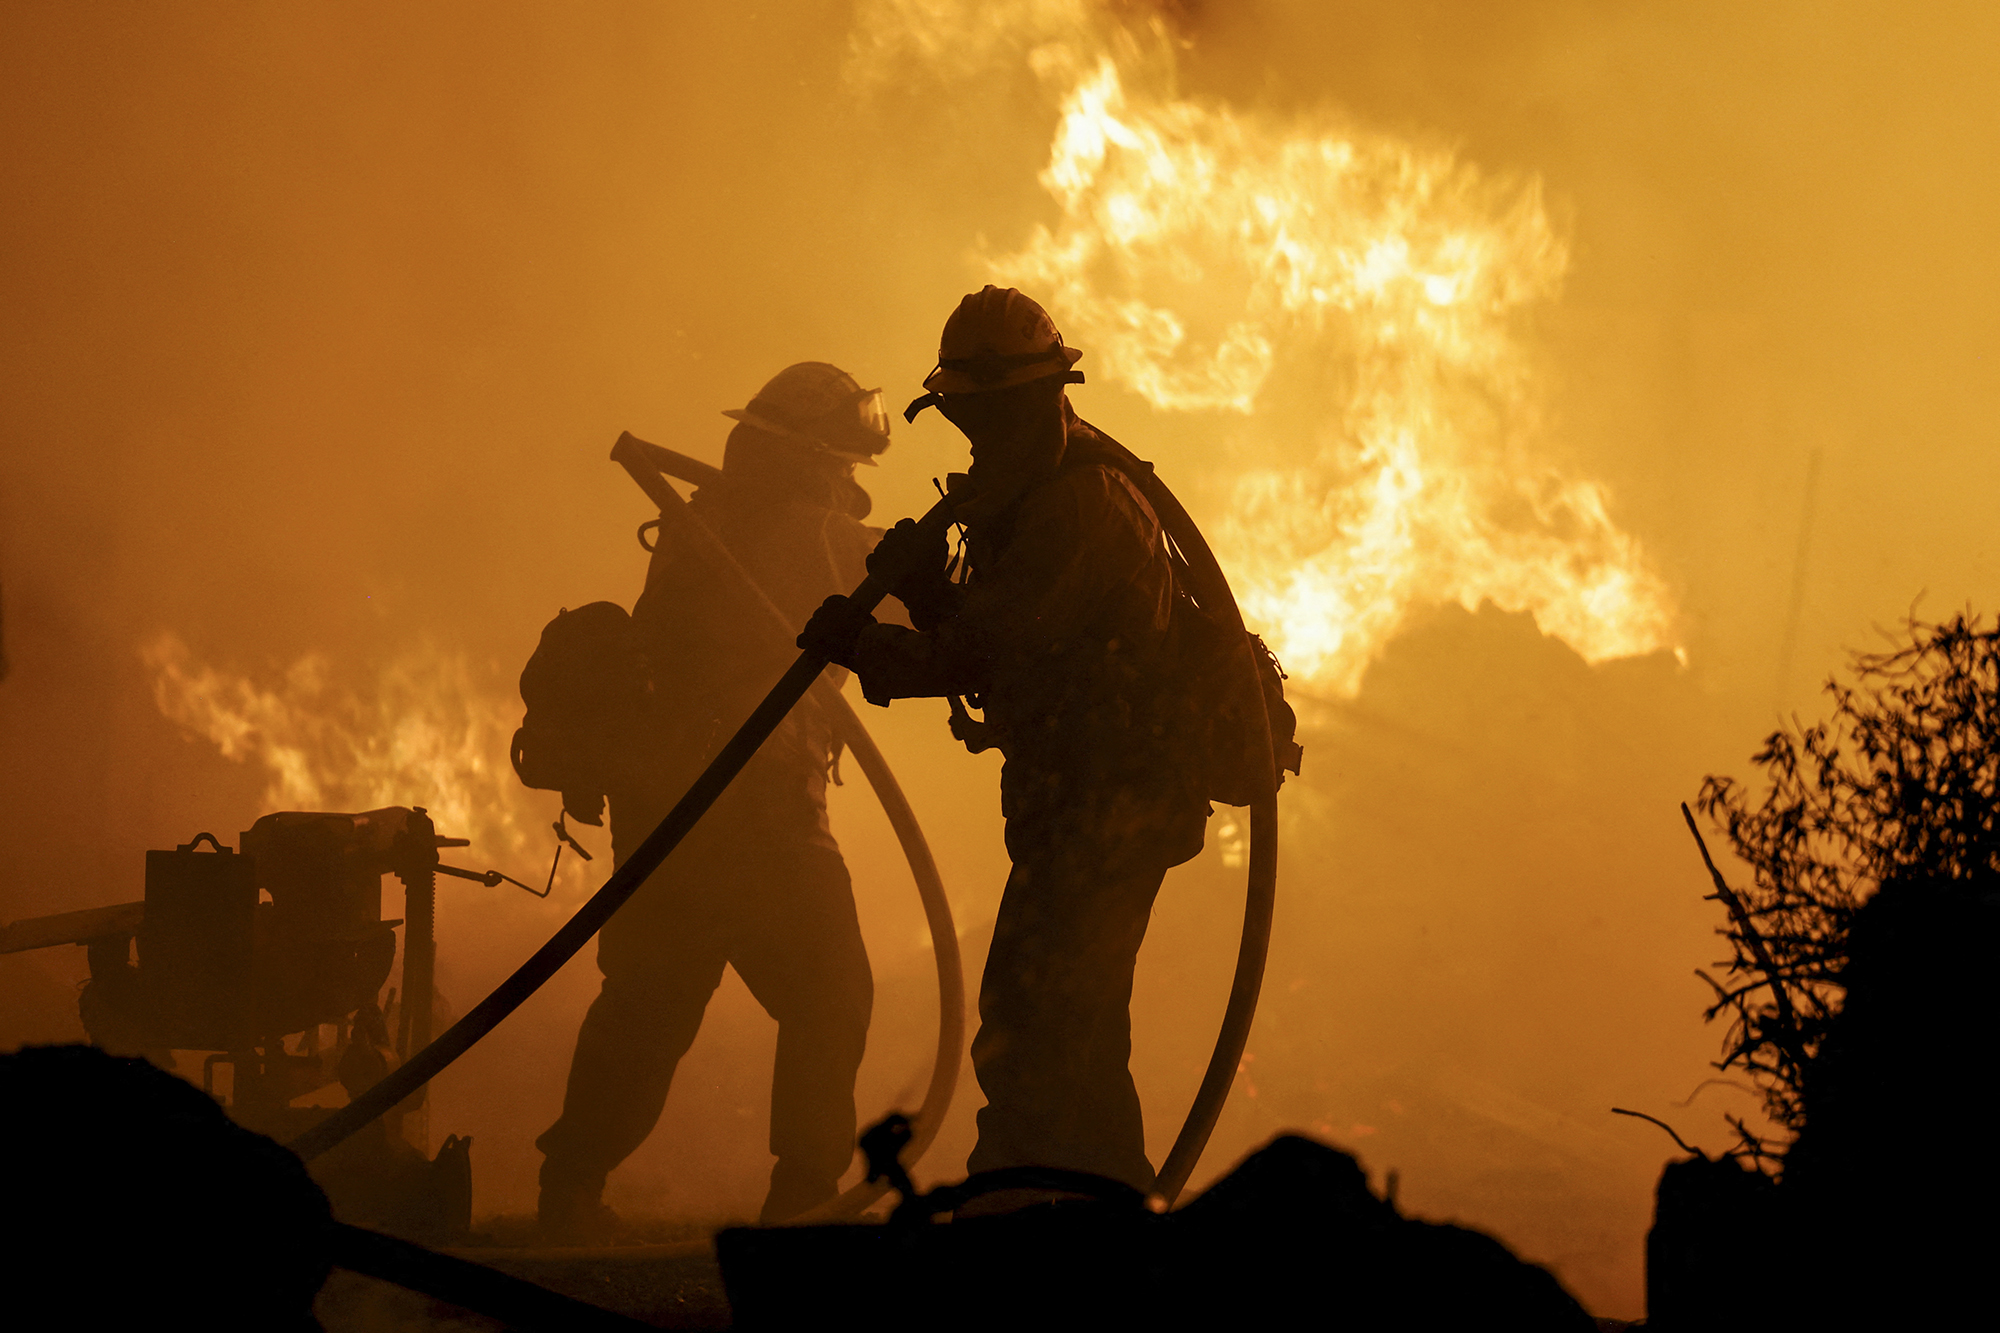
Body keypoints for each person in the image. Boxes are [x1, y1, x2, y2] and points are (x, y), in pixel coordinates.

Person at [800, 288, 1208, 1195]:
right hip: (1078, 802)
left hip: (1111, 808)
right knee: (1081, 1036)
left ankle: (1007, 1227)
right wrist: (925, 588)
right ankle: (1111, 1241)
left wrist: (866, 639)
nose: (973, 436)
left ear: (1035, 398)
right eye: (962, 417)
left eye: (984, 414)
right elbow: (1010, 638)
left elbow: (986, 650)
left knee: (1030, 1028)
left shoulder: (1083, 501)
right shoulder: (1036, 487)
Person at [536, 362, 899, 1236]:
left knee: (649, 1004)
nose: (852, 479)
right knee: (830, 991)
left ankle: (571, 1184)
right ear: (814, 457)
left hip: (668, 811)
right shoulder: (811, 533)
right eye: (845, 462)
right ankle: (805, 1196)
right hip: (762, 813)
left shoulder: (711, 527)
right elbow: (917, 596)